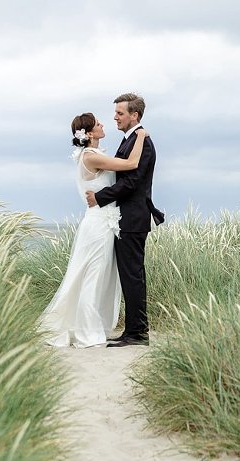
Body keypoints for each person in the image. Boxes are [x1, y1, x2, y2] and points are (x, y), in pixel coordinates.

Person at [41, 112, 147, 348]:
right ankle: (87, 333)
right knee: (93, 277)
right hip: (98, 225)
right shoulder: (90, 156)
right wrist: (140, 136)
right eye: (98, 124)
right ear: (89, 134)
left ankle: (90, 327)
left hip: (105, 222)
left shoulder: (93, 154)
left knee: (97, 277)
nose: (103, 124)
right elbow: (131, 164)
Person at [85, 93, 163, 348]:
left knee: (133, 275)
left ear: (134, 116)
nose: (115, 117)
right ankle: (133, 330)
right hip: (124, 218)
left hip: (133, 218)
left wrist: (100, 197)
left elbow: (131, 183)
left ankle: (138, 334)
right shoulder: (129, 140)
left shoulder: (144, 143)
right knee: (130, 275)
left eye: (120, 113)